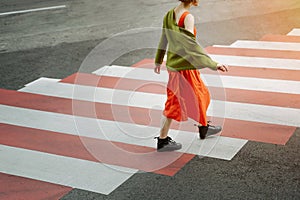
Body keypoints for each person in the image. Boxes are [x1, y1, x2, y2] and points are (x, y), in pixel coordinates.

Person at [154, 0, 228, 152]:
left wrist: (158, 60)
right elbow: (191, 46)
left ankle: (203, 127)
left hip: (179, 66)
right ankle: (162, 140)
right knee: (173, 103)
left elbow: (164, 39)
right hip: (183, 67)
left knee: (201, 94)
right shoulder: (187, 17)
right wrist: (213, 64)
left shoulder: (169, 14)